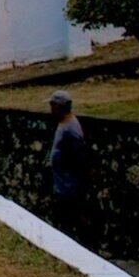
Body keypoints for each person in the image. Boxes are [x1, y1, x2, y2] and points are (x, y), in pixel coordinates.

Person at [41, 92, 87, 230]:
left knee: (67, 225)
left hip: (67, 188)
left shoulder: (70, 129)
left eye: (52, 105)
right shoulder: (64, 124)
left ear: (59, 107)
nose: (50, 109)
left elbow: (79, 157)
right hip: (62, 185)